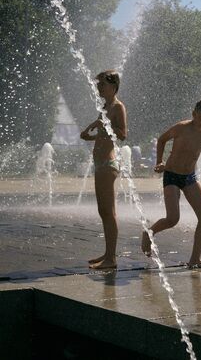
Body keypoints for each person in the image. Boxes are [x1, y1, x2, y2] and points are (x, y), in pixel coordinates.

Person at [141, 100, 201, 269]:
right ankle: (148, 233)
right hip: (172, 175)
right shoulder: (181, 128)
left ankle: (195, 259)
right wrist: (160, 162)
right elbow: (161, 140)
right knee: (173, 219)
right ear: (194, 114)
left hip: (189, 178)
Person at [80, 70, 127, 270]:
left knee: (109, 212)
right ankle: (107, 254)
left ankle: (111, 259)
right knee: (103, 211)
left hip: (108, 165)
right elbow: (104, 136)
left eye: (102, 85)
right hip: (100, 165)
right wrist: (88, 135)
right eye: (98, 85)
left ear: (113, 86)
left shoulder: (118, 107)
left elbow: (123, 135)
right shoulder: (105, 107)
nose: (99, 88)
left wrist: (102, 124)